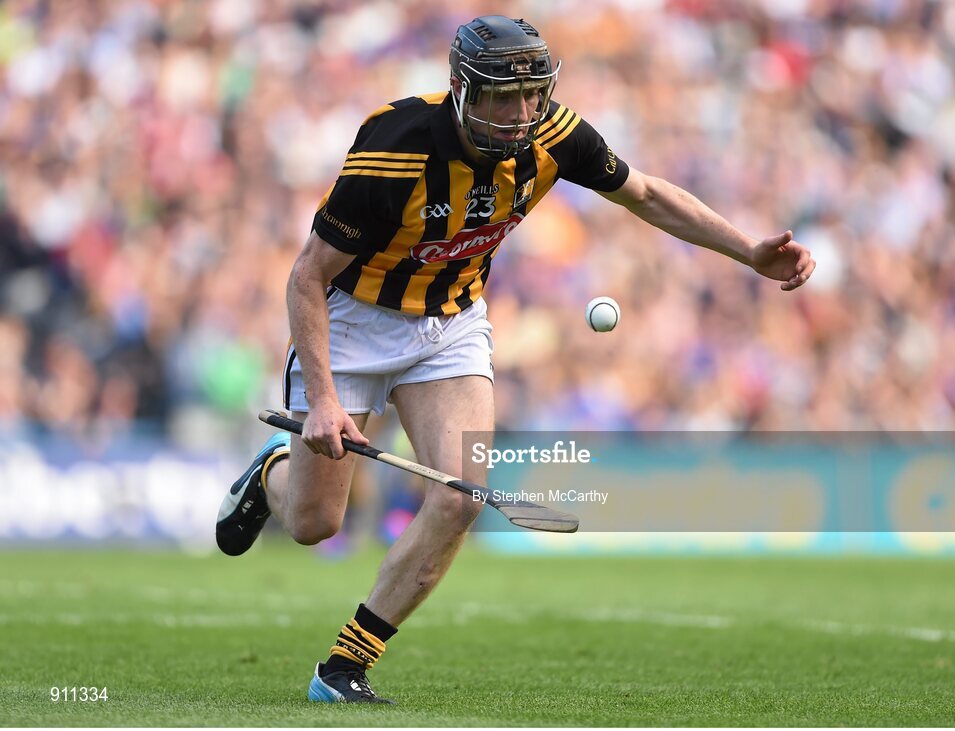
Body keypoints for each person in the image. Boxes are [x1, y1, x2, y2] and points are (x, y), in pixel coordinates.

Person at [215, 15, 815, 705]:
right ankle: (273, 471)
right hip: (352, 323)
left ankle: (344, 666)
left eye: (531, 94)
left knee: (461, 493)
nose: (521, 111)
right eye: (503, 96)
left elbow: (646, 194)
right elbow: (306, 279)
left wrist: (749, 252)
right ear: (462, 91)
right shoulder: (396, 150)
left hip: (450, 326)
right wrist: (321, 397)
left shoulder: (556, 136)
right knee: (314, 524)